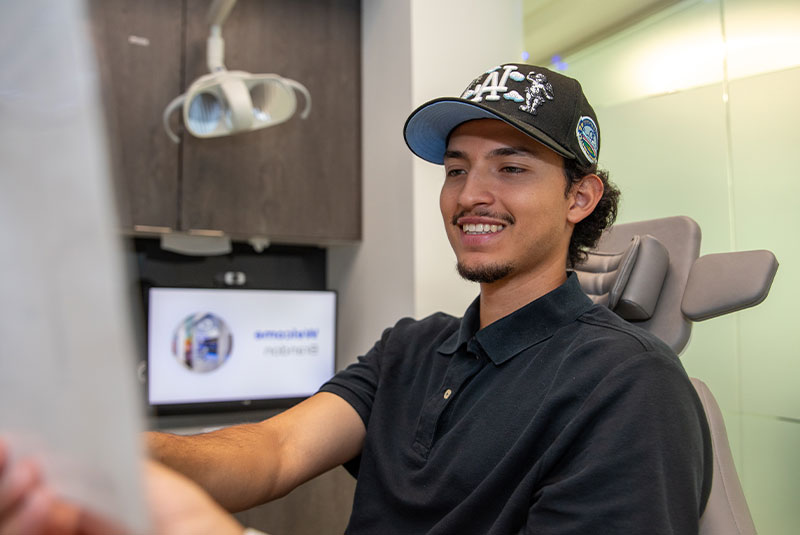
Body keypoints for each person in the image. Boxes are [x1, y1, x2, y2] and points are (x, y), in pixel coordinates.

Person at [0, 63, 712, 534]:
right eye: (457, 168)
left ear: (579, 197)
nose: (471, 195)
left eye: (513, 168)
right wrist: (111, 455)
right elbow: (272, 451)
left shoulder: (628, 385)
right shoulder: (412, 348)